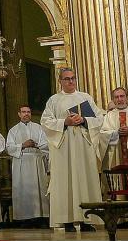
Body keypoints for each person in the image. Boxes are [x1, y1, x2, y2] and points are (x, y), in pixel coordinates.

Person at [41, 68, 104, 231]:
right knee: (65, 181)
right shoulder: (54, 100)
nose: (71, 81)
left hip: (83, 147)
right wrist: (64, 122)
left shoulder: (85, 98)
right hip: (63, 149)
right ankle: (67, 220)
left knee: (84, 179)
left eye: (73, 78)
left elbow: (100, 119)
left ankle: (86, 220)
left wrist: (84, 120)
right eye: (67, 79)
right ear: (60, 81)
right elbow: (45, 122)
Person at [5, 105, 49, 225]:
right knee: (23, 189)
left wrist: (36, 145)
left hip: (36, 161)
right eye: (23, 112)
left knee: (39, 189)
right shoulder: (13, 130)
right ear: (19, 114)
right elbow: (8, 148)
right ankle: (24, 219)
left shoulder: (39, 128)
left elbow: (46, 144)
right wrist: (23, 145)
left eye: (28, 112)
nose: (26, 114)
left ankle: (41, 217)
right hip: (21, 162)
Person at [99, 86, 128, 184]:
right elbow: (102, 135)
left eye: (122, 96)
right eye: (116, 97)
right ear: (113, 100)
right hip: (116, 155)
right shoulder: (109, 116)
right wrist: (116, 133)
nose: (119, 99)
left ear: (127, 98)